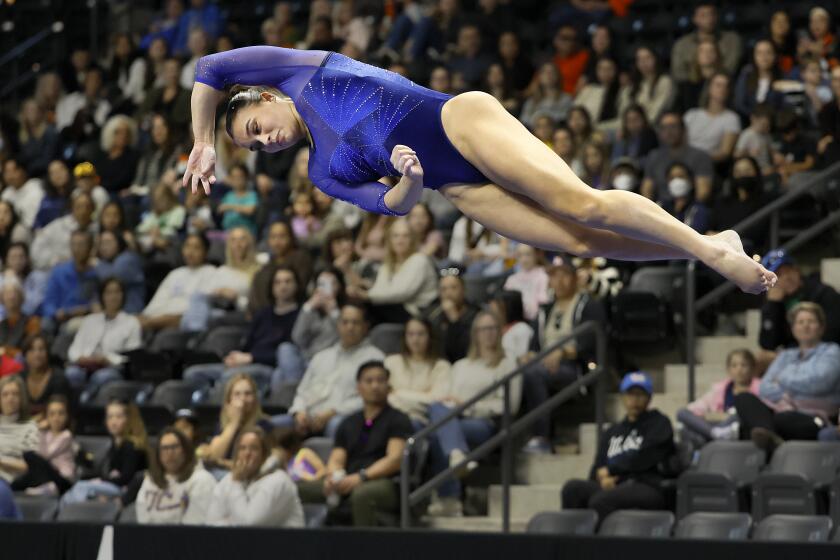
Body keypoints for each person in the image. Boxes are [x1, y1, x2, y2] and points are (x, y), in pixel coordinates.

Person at [183, 46, 776, 296]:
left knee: (580, 203)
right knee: (578, 240)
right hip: (455, 185)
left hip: (457, 122)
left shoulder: (299, 70)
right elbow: (392, 206)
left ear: (264, 98)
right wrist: (411, 180)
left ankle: (715, 251)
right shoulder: (321, 171)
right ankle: (706, 248)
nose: (267, 141)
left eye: (257, 128)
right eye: (256, 148)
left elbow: (211, 66)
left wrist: (204, 141)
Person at [426, 311, 519, 516]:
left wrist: (469, 406)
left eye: (492, 328)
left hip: (482, 422)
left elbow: (509, 405)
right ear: (475, 334)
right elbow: (448, 395)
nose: (488, 334)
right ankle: (457, 455)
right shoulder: (460, 365)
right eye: (483, 329)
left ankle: (449, 498)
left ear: (499, 332)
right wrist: (451, 402)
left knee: (438, 434)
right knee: (436, 408)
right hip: (454, 418)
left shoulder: (507, 363)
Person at [297, 361, 412, 526]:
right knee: (298, 489)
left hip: (384, 482)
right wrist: (334, 477)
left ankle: (364, 549)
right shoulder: (348, 423)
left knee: (362, 494)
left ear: (388, 386)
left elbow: (394, 459)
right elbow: (337, 458)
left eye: (380, 380)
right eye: (369, 381)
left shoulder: (398, 419)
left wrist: (362, 477)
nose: (375, 386)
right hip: (349, 478)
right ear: (358, 387)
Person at [521, 256, 608, 453]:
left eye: (564, 275)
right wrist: (530, 355)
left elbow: (593, 339)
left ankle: (541, 436)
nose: (558, 281)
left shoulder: (588, 305)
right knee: (524, 371)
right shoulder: (546, 310)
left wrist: (565, 352)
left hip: (577, 367)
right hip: (545, 365)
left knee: (533, 374)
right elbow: (535, 344)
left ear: (575, 277)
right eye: (553, 276)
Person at [561, 372, 674, 521]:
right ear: (622, 397)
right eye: (630, 394)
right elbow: (598, 466)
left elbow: (646, 457)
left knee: (601, 500)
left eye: (640, 394)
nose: (635, 400)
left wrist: (613, 471)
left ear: (649, 398)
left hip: (645, 485)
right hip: (612, 486)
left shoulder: (659, 423)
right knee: (572, 489)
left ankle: (599, 544)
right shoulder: (612, 432)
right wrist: (603, 479)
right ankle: (573, 541)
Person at [736, 302, 840, 453]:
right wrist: (797, 387)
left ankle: (770, 438)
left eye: (811, 321)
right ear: (793, 329)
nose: (805, 326)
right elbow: (764, 387)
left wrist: (783, 379)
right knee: (744, 398)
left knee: (779, 419)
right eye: (800, 322)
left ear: (821, 327)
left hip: (815, 418)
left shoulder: (832, 352)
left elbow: (821, 382)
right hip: (782, 412)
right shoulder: (786, 355)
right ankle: (770, 437)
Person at [183, 266, 301, 396]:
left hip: (269, 367)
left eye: (287, 281)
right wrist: (235, 357)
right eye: (277, 282)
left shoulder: (300, 316)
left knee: (230, 377)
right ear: (272, 287)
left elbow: (289, 354)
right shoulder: (262, 314)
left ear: (297, 285)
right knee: (193, 374)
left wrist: (251, 358)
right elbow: (247, 343)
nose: (282, 286)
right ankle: (203, 406)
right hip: (245, 362)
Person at [277, 302, 384, 438]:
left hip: (343, 417)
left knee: (336, 425)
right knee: (270, 426)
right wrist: (299, 412)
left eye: (355, 323)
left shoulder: (374, 358)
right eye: (345, 322)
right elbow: (302, 392)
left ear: (365, 326)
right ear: (338, 325)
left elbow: (371, 399)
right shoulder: (321, 357)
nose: (350, 327)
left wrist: (333, 412)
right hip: (308, 416)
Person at [207, 426, 304, 527]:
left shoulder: (279, 480)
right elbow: (211, 522)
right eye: (242, 448)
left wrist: (237, 483)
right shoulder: (229, 479)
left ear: (264, 454)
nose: (247, 453)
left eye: (254, 448)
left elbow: (249, 525)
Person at [347, 218, 438, 324]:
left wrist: (366, 296)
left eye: (405, 236)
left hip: (418, 313)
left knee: (367, 305)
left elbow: (402, 293)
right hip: (396, 308)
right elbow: (380, 289)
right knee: (358, 303)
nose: (400, 240)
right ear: (390, 240)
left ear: (412, 239)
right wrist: (361, 294)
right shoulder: (387, 264)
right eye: (396, 236)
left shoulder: (420, 259)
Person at [61, 399, 148, 505]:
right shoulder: (114, 444)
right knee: (72, 491)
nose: (113, 421)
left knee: (82, 487)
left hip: (127, 491)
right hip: (114, 486)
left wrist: (102, 480)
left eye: (118, 417)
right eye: (110, 417)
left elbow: (126, 478)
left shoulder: (132, 445)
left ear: (129, 419)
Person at [66, 278, 142, 397]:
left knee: (102, 377)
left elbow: (133, 356)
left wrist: (108, 360)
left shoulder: (131, 322)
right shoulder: (89, 320)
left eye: (117, 292)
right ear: (102, 296)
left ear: (123, 296)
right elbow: (74, 349)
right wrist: (80, 358)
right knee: (71, 373)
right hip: (85, 365)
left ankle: (86, 404)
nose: (113, 297)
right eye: (109, 292)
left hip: (112, 368)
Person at [139, 233, 216, 343]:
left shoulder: (211, 272)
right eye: (187, 246)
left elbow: (195, 308)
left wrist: (152, 321)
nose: (190, 252)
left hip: (182, 319)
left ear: (205, 252)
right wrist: (145, 316)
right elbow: (158, 300)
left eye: (196, 248)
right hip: (160, 316)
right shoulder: (175, 273)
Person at [759, 250, 840, 354]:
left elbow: (833, 332)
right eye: (778, 274)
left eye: (788, 271)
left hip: (823, 351)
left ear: (797, 271)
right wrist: (773, 305)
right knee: (762, 357)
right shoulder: (774, 304)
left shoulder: (823, 293)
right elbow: (768, 344)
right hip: (792, 355)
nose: (787, 277)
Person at [677, 349, 761, 445]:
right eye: (734, 366)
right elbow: (697, 407)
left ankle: (709, 436)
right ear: (728, 369)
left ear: (752, 368)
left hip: (737, 427)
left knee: (738, 417)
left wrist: (725, 416)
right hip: (717, 425)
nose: (739, 369)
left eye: (744, 365)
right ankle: (715, 433)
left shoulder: (760, 389)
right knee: (682, 413)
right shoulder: (720, 389)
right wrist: (708, 416)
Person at [136, 427, 217, 525]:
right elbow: (143, 518)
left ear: (185, 450)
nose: (169, 453)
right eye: (164, 448)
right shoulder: (151, 480)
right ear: (158, 454)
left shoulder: (202, 480)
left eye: (174, 447)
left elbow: (196, 524)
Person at [384, 317, 451, 427]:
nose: (415, 339)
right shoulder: (391, 362)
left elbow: (437, 401)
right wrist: (423, 395)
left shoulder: (441, 366)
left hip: (424, 420)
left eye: (420, 334)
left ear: (430, 336)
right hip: (390, 416)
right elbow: (382, 396)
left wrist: (398, 393)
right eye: (410, 334)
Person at [200, 374, 273, 472]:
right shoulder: (222, 425)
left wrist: (223, 463)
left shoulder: (263, 424)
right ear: (229, 400)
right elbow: (214, 457)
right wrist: (234, 423)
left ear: (255, 399)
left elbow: (252, 465)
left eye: (248, 394)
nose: (242, 399)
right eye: (237, 394)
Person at [641, 111, 714, 203]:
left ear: (683, 129)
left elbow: (703, 193)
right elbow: (646, 190)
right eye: (663, 128)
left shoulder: (700, 156)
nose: (668, 131)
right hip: (660, 208)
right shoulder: (654, 156)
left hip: (689, 210)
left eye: (673, 126)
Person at [10, 395, 76, 496]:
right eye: (52, 414)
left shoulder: (66, 435)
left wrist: (37, 427)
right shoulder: (44, 434)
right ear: (47, 416)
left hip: (62, 479)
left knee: (30, 456)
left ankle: (45, 489)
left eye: (60, 414)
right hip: (44, 476)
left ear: (67, 416)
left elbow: (44, 455)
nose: (56, 418)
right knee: (17, 482)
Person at [41, 230, 99, 332]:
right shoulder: (58, 272)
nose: (77, 249)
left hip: (86, 318)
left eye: (81, 245)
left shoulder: (96, 274)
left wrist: (87, 308)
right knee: (46, 324)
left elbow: (98, 302)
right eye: (73, 245)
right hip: (62, 318)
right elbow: (48, 303)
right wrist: (56, 312)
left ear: (90, 248)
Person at [670, 3, 743, 82]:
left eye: (712, 14)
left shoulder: (732, 40)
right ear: (695, 18)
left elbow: (730, 69)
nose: (709, 19)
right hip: (691, 87)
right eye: (703, 15)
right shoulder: (682, 44)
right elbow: (678, 73)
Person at [30, 192, 97, 271]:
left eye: (87, 207)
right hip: (53, 269)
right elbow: (36, 249)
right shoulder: (57, 226)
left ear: (93, 209)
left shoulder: (97, 228)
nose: (83, 211)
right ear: (72, 208)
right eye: (79, 207)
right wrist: (54, 261)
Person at [683, 73, 741, 164]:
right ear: (709, 88)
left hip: (709, 165)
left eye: (726, 86)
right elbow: (680, 142)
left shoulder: (731, 118)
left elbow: (725, 153)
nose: (722, 89)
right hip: (683, 160)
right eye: (718, 85)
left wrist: (698, 158)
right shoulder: (691, 114)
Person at [290, 267, 343, 365]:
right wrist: (308, 308)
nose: (328, 287)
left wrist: (334, 313)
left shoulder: (345, 310)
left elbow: (344, 337)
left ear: (340, 286)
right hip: (306, 358)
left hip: (329, 359)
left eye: (332, 283)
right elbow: (297, 339)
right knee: (285, 349)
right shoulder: (310, 310)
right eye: (322, 284)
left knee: (279, 375)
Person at [428, 270, 479, 363]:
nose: (448, 293)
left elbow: (468, 347)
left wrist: (454, 319)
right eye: (443, 289)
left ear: (463, 290)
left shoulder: (476, 314)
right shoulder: (432, 314)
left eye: (453, 288)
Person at [617, 46, 675, 125]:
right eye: (640, 59)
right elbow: (623, 112)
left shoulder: (665, 82)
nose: (643, 62)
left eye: (648, 58)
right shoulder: (632, 85)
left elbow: (657, 113)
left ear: (656, 59)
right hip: (628, 126)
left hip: (652, 126)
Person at [94, 230, 146, 314]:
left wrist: (94, 264)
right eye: (101, 244)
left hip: (131, 314)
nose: (104, 247)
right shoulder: (103, 263)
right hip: (111, 316)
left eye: (108, 242)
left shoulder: (128, 258)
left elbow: (109, 279)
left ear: (119, 243)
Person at [0, 375, 40, 484]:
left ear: (22, 398)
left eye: (15, 394)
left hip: (13, 481)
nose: (10, 398)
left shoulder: (30, 427)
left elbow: (33, 465)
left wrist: (1, 462)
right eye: (5, 394)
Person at [21, 335, 72, 419]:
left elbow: (60, 412)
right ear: (25, 355)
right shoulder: (20, 378)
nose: (37, 354)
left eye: (41, 349)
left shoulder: (59, 378)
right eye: (31, 350)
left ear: (48, 353)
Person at [661, 163, 709, 234]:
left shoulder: (699, 210)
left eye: (681, 177)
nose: (676, 181)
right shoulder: (662, 206)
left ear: (691, 181)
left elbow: (694, 234)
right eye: (672, 178)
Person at [489, 290, 534, 364]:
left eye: (497, 308)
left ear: (509, 308)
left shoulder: (521, 329)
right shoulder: (497, 330)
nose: (493, 313)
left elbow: (521, 359)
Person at [0, 281, 40, 359]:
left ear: (21, 298)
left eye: (15, 293)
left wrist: (5, 351)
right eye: (7, 293)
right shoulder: (1, 325)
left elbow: (28, 350)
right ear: (2, 299)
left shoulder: (32, 322)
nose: (11, 297)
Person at [1, 157, 44, 229]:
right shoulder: (6, 194)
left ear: (23, 171)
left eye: (14, 171)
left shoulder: (37, 187)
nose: (10, 176)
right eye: (6, 172)